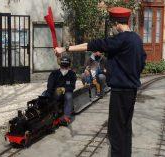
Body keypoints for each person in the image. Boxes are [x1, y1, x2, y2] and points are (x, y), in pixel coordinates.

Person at [54, 7, 147, 157]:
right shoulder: (137, 39)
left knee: (115, 132)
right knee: (125, 129)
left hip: (120, 92)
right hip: (131, 91)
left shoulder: (120, 39)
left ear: (116, 23)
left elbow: (90, 45)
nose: (113, 29)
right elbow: (142, 62)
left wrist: (64, 49)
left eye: (112, 25)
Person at [45, 56, 77, 125]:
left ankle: (66, 117)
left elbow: (72, 86)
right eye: (63, 66)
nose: (64, 68)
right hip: (55, 91)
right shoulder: (54, 73)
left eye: (66, 66)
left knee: (69, 96)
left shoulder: (72, 74)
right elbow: (50, 85)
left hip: (67, 92)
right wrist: (49, 93)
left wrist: (64, 89)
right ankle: (48, 113)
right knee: (45, 95)